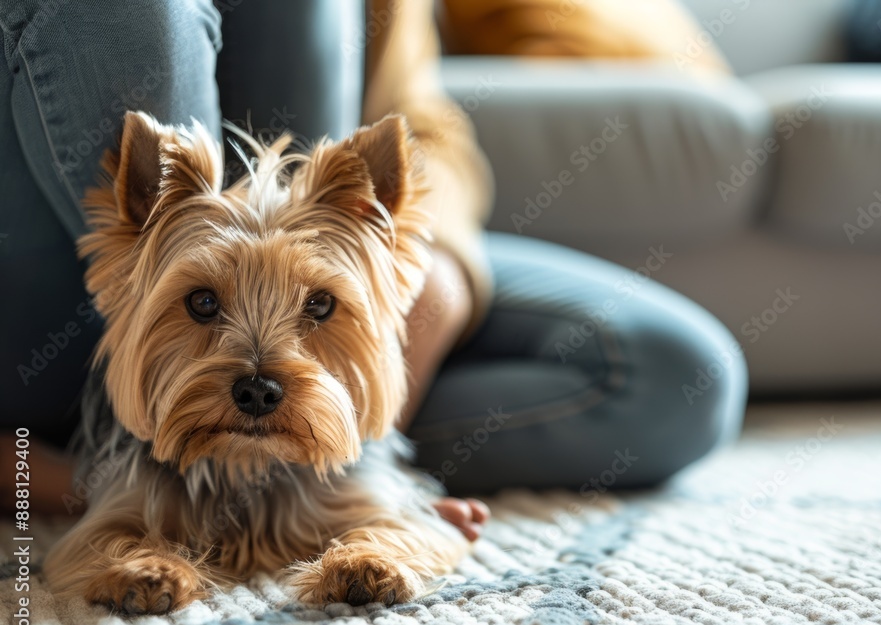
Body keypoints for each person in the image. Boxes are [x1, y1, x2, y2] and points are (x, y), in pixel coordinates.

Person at [0, 0, 746, 541]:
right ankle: (142, 479)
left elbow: (422, 128)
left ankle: (315, 465)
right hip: (63, 300)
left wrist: (396, 344)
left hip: (330, 249)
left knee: (678, 373)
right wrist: (69, 490)